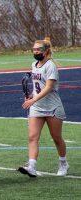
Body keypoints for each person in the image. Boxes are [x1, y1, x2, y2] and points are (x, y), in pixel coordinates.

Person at [18, 37, 69, 177]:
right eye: (33, 49)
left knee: (56, 137)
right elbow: (37, 86)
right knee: (32, 137)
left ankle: (63, 163)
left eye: (38, 49)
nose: (35, 51)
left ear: (46, 51)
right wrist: (31, 97)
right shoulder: (34, 64)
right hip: (37, 107)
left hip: (52, 107)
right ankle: (32, 166)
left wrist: (33, 100)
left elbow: (48, 87)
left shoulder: (50, 65)